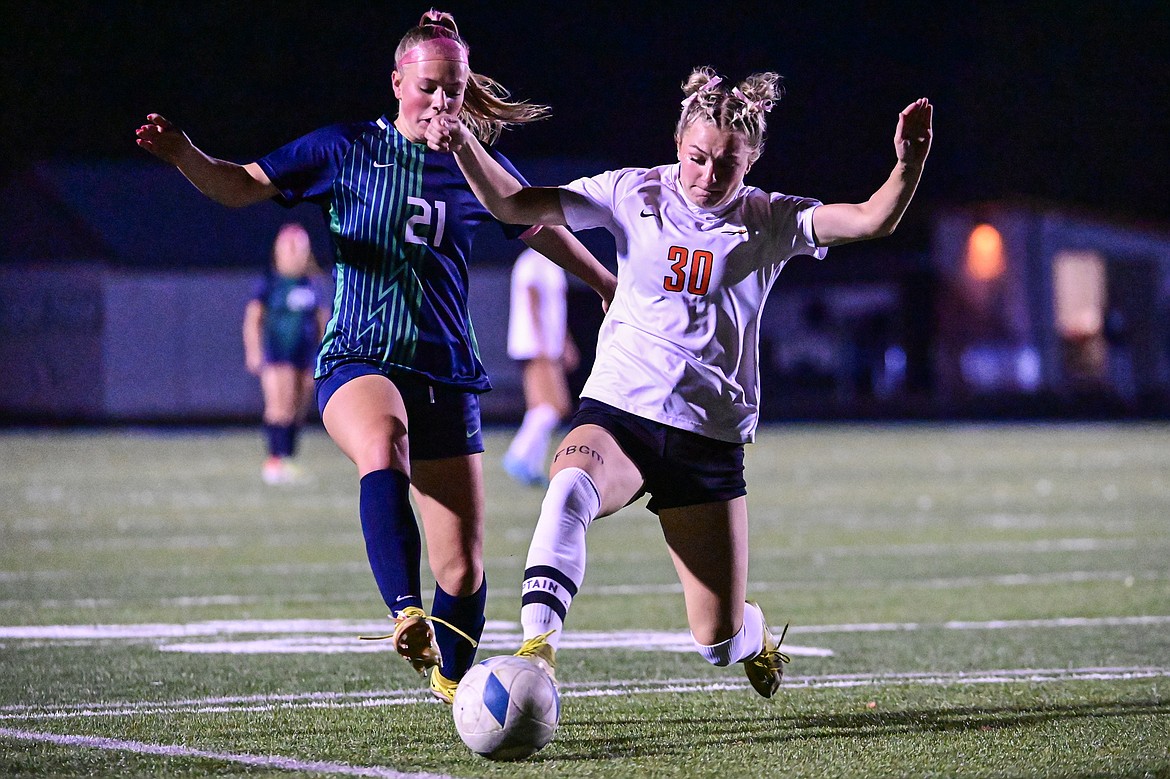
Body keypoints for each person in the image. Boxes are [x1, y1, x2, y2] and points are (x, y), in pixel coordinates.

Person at [135, 10, 616, 704]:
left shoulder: (474, 166)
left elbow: (533, 222)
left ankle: (453, 687)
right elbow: (241, 183)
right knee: (383, 442)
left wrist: (602, 282)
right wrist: (185, 154)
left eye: (454, 89)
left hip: (446, 374)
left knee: (466, 564)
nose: (442, 103)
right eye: (429, 88)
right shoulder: (347, 148)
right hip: (360, 358)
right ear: (397, 82)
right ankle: (403, 610)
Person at [430, 67, 932, 697]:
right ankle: (536, 651)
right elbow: (512, 205)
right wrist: (463, 144)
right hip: (621, 409)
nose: (709, 175)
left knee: (717, 640)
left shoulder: (768, 218)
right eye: (697, 158)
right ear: (677, 146)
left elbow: (868, 220)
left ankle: (750, 635)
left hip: (707, 435)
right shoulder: (632, 192)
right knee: (568, 492)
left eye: (727, 163)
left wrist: (908, 165)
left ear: (750, 161)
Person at [242, 222, 329, 485]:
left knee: (297, 409)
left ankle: (288, 458)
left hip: (306, 354)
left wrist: (324, 351)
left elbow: (323, 320)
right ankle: (274, 460)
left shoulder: (312, 283)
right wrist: (254, 351)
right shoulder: (270, 282)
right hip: (277, 352)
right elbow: (253, 318)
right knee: (279, 406)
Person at [502, 247, 579, 487]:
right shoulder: (530, 262)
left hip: (549, 344)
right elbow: (531, 302)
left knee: (542, 407)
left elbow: (558, 307)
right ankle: (518, 457)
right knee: (554, 406)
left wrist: (565, 342)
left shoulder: (552, 262)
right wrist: (543, 344)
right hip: (536, 345)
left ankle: (529, 464)